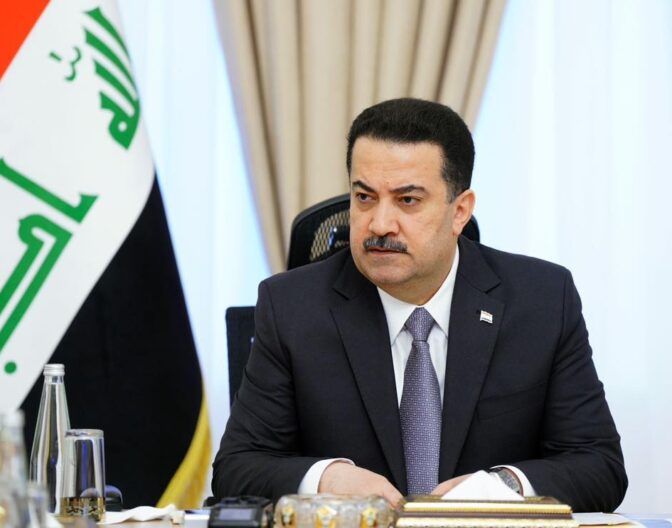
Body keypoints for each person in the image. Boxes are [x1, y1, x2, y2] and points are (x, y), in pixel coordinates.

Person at [212, 98, 627, 513]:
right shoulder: (292, 307)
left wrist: (503, 486)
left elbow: (599, 466)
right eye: (364, 197)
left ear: (460, 211)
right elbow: (237, 467)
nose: (379, 224)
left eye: (407, 200)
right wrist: (327, 478)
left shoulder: (542, 299)